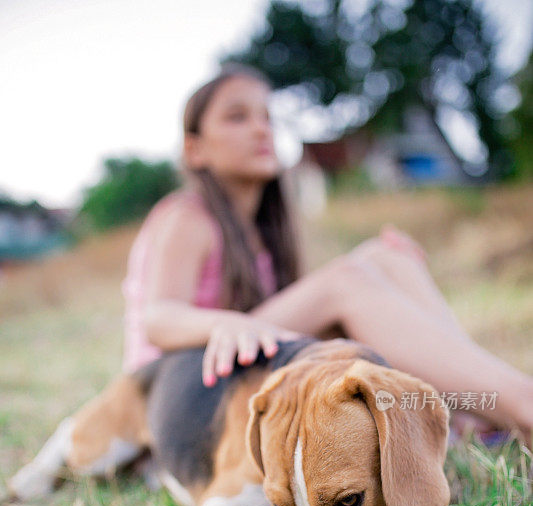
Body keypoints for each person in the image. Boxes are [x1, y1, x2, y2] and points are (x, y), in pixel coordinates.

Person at [121, 65, 533, 442]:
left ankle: (472, 406)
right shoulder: (187, 216)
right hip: (172, 391)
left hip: (230, 368)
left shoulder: (260, 230)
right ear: (196, 150)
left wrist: (383, 271)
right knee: (345, 281)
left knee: (384, 257)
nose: (261, 129)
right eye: (237, 117)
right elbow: (157, 320)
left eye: (267, 117)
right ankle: (521, 404)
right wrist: (223, 324)